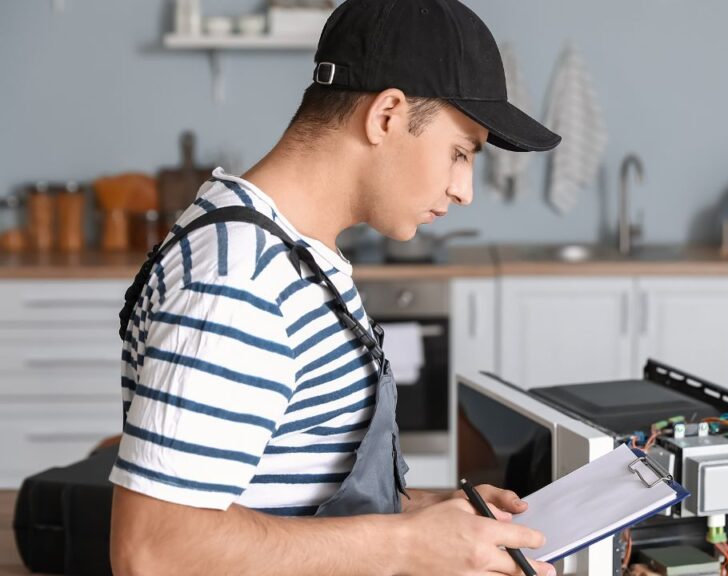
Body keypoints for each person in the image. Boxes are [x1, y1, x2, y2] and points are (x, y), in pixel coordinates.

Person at [108, 0, 561, 574]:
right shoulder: (239, 278)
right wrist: (405, 545)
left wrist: (425, 517)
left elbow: (286, 493)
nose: (464, 189)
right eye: (459, 152)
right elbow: (154, 548)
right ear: (387, 115)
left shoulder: (292, 251)